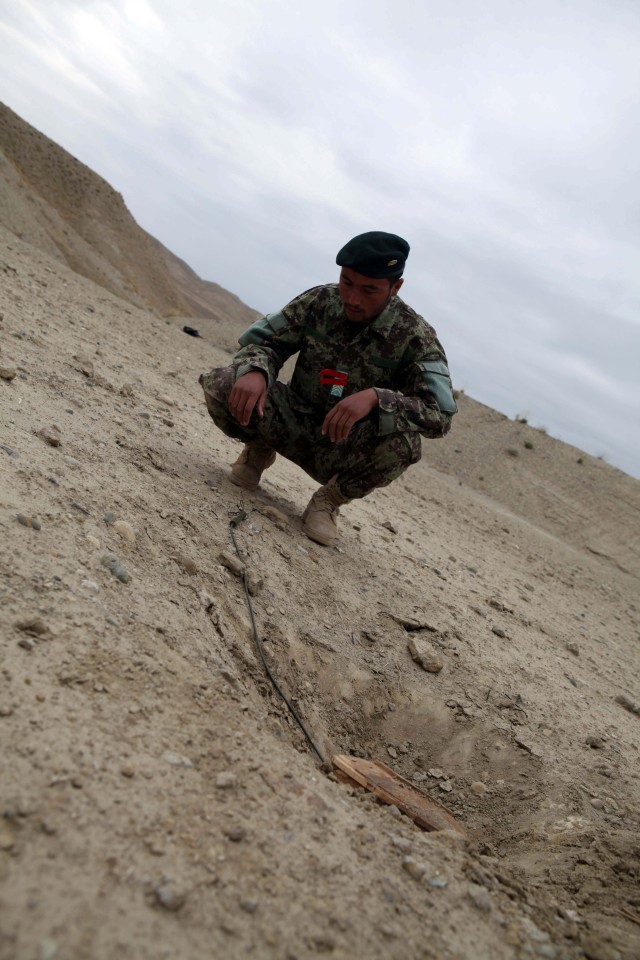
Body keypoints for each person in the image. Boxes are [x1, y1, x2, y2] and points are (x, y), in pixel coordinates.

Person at [199, 231, 457, 546]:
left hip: (344, 446)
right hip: (290, 420)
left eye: (369, 290)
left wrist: (378, 398)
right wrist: (256, 369)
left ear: (396, 287)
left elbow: (439, 415)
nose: (352, 298)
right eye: (346, 282)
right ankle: (258, 449)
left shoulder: (415, 337)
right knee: (225, 382)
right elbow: (263, 341)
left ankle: (329, 501)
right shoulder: (320, 301)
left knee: (405, 446)